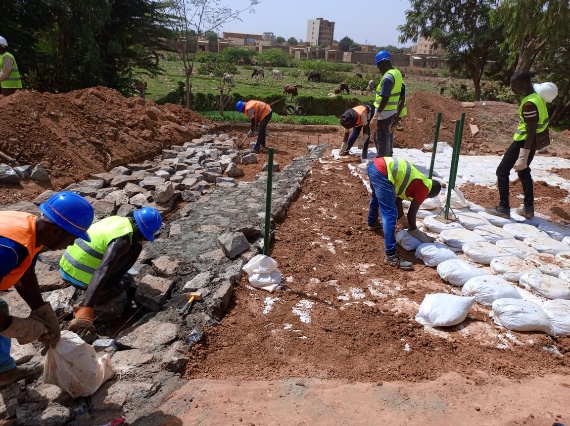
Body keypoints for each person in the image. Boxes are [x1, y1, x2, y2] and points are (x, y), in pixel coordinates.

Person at [0, 192, 94, 387]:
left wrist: (41, 311)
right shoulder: (7, 249)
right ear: (54, 231)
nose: (70, 244)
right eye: (72, 238)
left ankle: (3, 372)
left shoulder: (31, 231)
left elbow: (25, 274)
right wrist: (14, 326)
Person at [60, 207, 162, 337]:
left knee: (134, 246)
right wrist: (87, 307)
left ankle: (107, 285)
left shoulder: (117, 220)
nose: (143, 239)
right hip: (81, 276)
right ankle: (105, 290)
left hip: (65, 266)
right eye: (143, 235)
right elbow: (102, 269)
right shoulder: (122, 241)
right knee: (135, 248)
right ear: (138, 228)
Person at [486, 71, 550, 219]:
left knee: (502, 171)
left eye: (513, 84)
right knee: (523, 172)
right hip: (531, 142)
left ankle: (503, 207)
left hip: (524, 142)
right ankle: (528, 208)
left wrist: (523, 155)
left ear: (523, 83)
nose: (511, 87)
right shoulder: (536, 98)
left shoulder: (529, 104)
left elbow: (531, 130)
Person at [367, 156, 442, 270]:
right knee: (389, 214)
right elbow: (411, 213)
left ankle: (372, 222)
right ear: (430, 194)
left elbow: (398, 201)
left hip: (375, 166)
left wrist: (403, 221)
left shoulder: (419, 180)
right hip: (383, 171)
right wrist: (414, 231)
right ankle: (391, 255)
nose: (425, 199)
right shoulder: (424, 188)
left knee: (377, 197)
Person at [369, 50, 405, 157]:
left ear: (384, 62)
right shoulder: (397, 73)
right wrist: (397, 116)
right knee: (388, 138)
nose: (378, 68)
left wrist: (375, 117)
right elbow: (402, 97)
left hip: (383, 115)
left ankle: (382, 164)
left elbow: (385, 98)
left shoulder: (387, 78)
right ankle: (388, 160)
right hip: (392, 113)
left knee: (381, 140)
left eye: (379, 65)